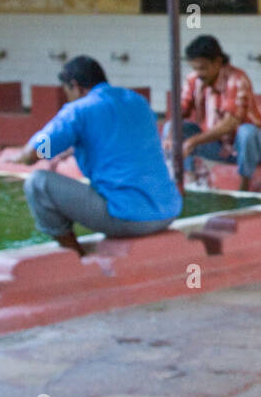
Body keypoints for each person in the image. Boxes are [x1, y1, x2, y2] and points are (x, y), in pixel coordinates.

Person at [15, 56, 182, 256]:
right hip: (168, 211)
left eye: (67, 92)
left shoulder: (79, 110)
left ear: (75, 86)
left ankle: (76, 257)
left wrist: (17, 158)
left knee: (37, 183)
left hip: (129, 219)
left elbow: (32, 154)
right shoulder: (138, 101)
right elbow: (119, 140)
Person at [168, 34, 261, 191]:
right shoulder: (193, 79)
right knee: (174, 128)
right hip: (220, 148)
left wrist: (192, 142)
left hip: (251, 147)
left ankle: (244, 185)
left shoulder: (237, 79)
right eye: (195, 68)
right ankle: (189, 180)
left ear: (218, 62)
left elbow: (230, 124)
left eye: (203, 68)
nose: (199, 73)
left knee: (247, 132)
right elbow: (181, 110)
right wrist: (171, 135)